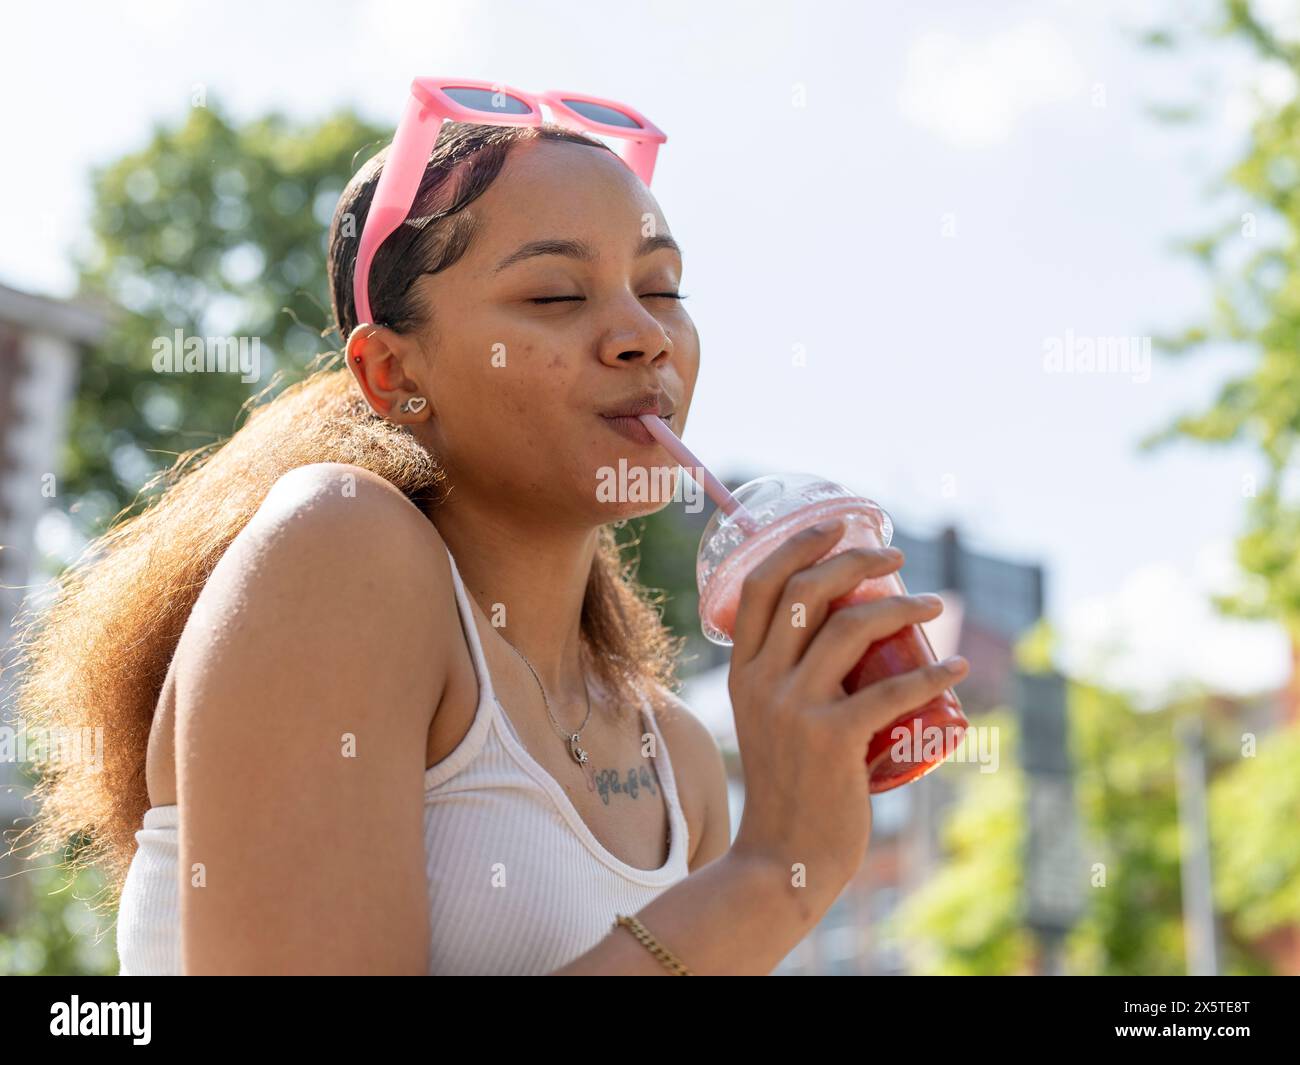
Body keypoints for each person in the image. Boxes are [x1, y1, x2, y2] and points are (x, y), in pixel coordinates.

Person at [9, 120, 967, 975]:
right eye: (556, 294)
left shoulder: (682, 763)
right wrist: (771, 876)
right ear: (393, 371)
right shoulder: (334, 543)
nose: (643, 335)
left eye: (662, 287)